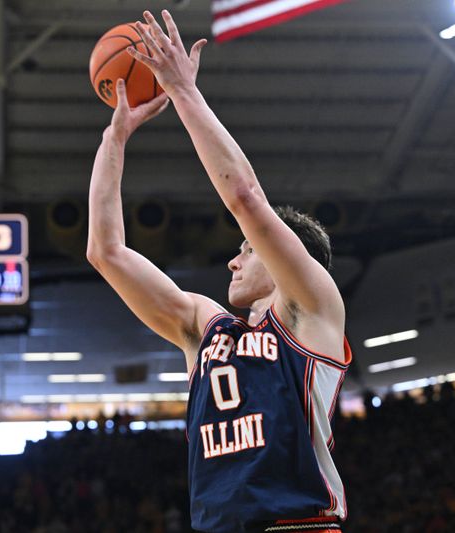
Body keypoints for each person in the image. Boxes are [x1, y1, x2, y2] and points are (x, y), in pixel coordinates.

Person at [87, 10, 351, 532]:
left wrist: (183, 90)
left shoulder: (312, 312)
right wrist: (112, 142)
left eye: (247, 250)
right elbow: (107, 252)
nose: (233, 259)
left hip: (297, 526)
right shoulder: (206, 329)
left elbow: (244, 197)